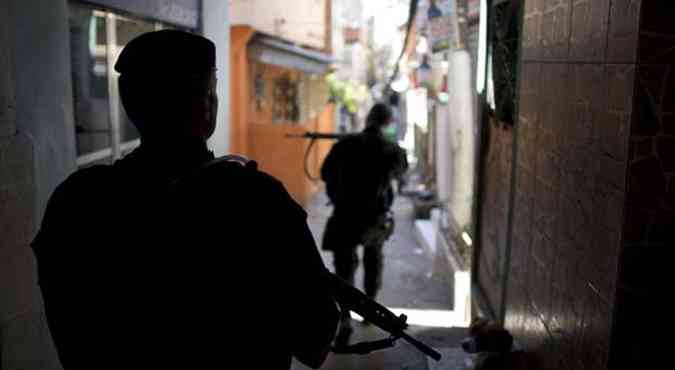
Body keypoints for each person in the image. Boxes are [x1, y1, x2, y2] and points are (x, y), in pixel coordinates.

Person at [31, 30, 338, 370]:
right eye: (210, 91)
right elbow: (315, 339)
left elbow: (70, 332)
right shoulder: (258, 199)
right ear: (207, 104)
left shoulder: (75, 201)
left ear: (130, 104)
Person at [320, 102, 408, 346]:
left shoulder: (344, 144)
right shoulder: (392, 150)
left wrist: (340, 191)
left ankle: (345, 318)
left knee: (343, 270)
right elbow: (401, 173)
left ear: (367, 119)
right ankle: (368, 314)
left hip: (344, 216)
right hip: (373, 219)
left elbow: (325, 172)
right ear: (388, 123)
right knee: (373, 262)